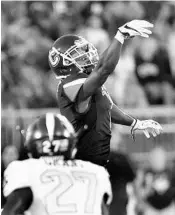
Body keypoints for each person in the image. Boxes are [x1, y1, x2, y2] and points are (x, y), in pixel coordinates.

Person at [48, 19, 163, 166]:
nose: (86, 56)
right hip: (80, 164)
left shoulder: (85, 81)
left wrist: (134, 123)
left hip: (95, 161)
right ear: (63, 62)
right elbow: (103, 70)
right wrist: (120, 36)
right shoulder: (68, 84)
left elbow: (106, 106)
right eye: (78, 54)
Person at [2, 113, 112, 215]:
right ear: (72, 145)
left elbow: (12, 210)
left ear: (31, 147)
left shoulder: (23, 169)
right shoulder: (95, 171)